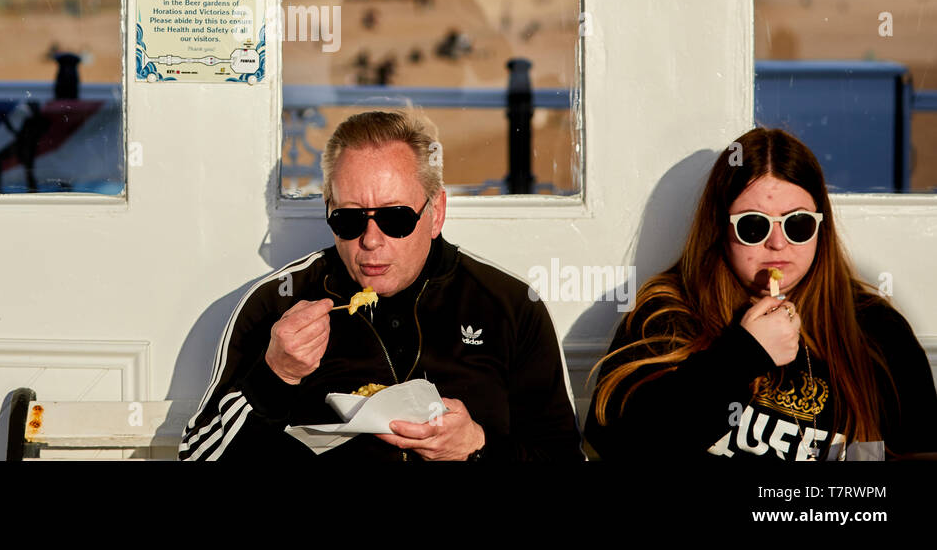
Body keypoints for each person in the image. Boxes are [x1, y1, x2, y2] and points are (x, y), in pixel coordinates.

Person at [178, 109, 583, 461]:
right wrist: (275, 375)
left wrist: (476, 447)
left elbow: (563, 455)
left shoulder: (508, 306)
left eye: (395, 218)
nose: (371, 240)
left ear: (436, 212)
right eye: (349, 219)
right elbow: (199, 454)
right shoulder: (277, 304)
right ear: (328, 212)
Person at [585, 127, 937, 460]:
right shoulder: (668, 314)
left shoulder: (876, 330)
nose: (777, 243)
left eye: (798, 223)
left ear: (821, 227)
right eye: (753, 224)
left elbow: (919, 449)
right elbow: (620, 446)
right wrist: (741, 356)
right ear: (719, 228)